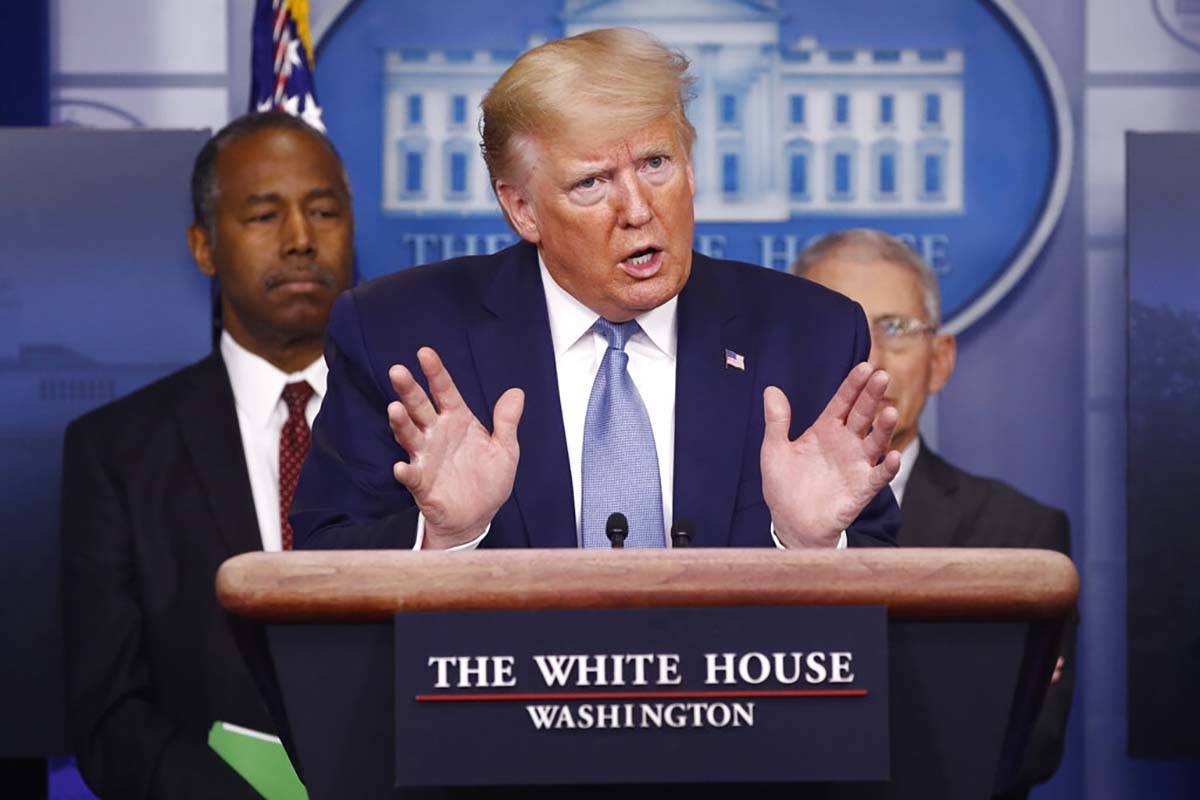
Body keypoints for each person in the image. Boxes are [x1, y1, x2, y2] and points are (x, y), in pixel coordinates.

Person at [291, 28, 899, 553]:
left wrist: (807, 545)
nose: (638, 210)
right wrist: (445, 539)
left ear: (690, 167)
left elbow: (887, 604)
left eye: (657, 163)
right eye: (592, 183)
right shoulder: (399, 334)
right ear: (522, 209)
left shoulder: (811, 335)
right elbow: (321, 564)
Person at [60, 111, 354, 798]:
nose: (301, 239)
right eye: (263, 215)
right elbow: (108, 716)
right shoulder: (118, 454)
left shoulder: (422, 425)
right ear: (204, 247)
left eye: (324, 211)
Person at [793, 228, 1074, 799]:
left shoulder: (1019, 537)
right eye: (838, 325)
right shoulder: (720, 518)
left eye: (894, 329)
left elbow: (1024, 749)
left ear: (940, 360)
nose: (868, 356)